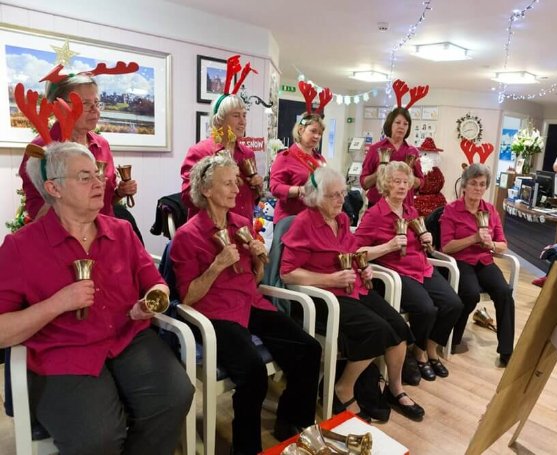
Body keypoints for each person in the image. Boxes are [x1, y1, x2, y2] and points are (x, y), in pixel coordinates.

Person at [0, 142, 194, 454]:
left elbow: (157, 284)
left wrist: (151, 302)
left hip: (127, 337)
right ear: (54, 188)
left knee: (175, 396)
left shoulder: (121, 231)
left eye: (98, 174)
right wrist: (58, 303)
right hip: (62, 351)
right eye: (84, 177)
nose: (100, 182)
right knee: (97, 437)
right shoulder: (20, 248)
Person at [171, 155, 321, 454]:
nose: (236, 188)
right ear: (207, 190)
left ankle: (292, 421)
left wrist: (258, 258)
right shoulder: (186, 237)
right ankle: (246, 448)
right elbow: (187, 297)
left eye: (236, 182)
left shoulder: (241, 224)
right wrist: (216, 266)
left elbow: (257, 278)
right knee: (252, 373)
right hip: (214, 314)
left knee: (309, 349)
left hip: (250, 302)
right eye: (228, 183)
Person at [280, 167, 425, 422]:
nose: (340, 200)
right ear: (316, 197)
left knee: (398, 327)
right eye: (333, 195)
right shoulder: (304, 223)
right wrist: (329, 279)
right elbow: (288, 273)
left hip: (351, 288)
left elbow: (352, 251)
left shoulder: (342, 220)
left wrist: (363, 266)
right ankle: (342, 388)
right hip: (323, 296)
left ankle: (395, 388)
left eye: (342, 194)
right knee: (377, 330)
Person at [354, 161, 463, 382]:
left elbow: (422, 245)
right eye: (396, 181)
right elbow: (357, 251)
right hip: (396, 271)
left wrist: (427, 241)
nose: (402, 186)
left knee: (454, 304)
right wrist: (388, 246)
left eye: (406, 182)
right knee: (426, 309)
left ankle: (429, 349)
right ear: (386, 184)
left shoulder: (410, 211)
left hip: (422, 267)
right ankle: (418, 353)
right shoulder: (375, 215)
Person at [18, 70, 137, 220]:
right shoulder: (41, 149)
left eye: (96, 102)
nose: (95, 110)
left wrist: (119, 193)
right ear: (59, 106)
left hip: (103, 235)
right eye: (85, 103)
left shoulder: (101, 145)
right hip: (62, 238)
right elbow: (38, 215)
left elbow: (104, 204)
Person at [440, 163, 515, 367]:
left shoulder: (490, 210)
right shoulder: (451, 210)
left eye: (482, 184)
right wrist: (474, 238)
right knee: (470, 293)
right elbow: (446, 247)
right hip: (461, 261)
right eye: (474, 183)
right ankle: (453, 337)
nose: (478, 188)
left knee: (504, 292)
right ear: (464, 185)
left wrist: (492, 244)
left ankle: (507, 350)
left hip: (484, 260)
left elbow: (503, 244)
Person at [181, 92, 263, 221]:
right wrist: (218, 183)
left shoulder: (247, 154)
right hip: (211, 230)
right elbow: (188, 197)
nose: (243, 122)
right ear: (219, 119)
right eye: (236, 116)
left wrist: (256, 187)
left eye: (244, 115)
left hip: (243, 228)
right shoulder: (200, 152)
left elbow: (249, 200)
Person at [360, 107, 423, 207]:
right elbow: (364, 183)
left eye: (405, 124)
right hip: (378, 206)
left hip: (405, 206)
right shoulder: (375, 149)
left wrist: (410, 177)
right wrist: (379, 173)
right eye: (398, 122)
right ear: (390, 124)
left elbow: (421, 183)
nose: (401, 126)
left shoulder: (413, 152)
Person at [269, 113, 326, 224]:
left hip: (313, 219)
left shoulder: (320, 159)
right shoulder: (285, 157)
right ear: (300, 130)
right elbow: (275, 187)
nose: (317, 136)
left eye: (320, 133)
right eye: (313, 131)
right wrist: (300, 190)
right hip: (290, 220)